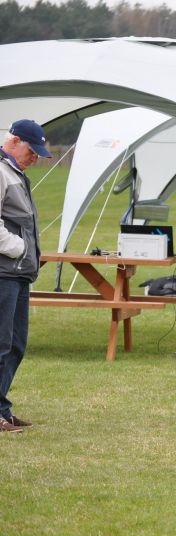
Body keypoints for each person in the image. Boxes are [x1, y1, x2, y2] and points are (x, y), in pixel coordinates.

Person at [0, 119, 51, 433]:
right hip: (4, 272)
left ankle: (2, 409)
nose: (34, 158)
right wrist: (20, 248)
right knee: (1, 345)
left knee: (16, 345)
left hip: (18, 274)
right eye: (32, 151)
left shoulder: (14, 172)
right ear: (15, 140)